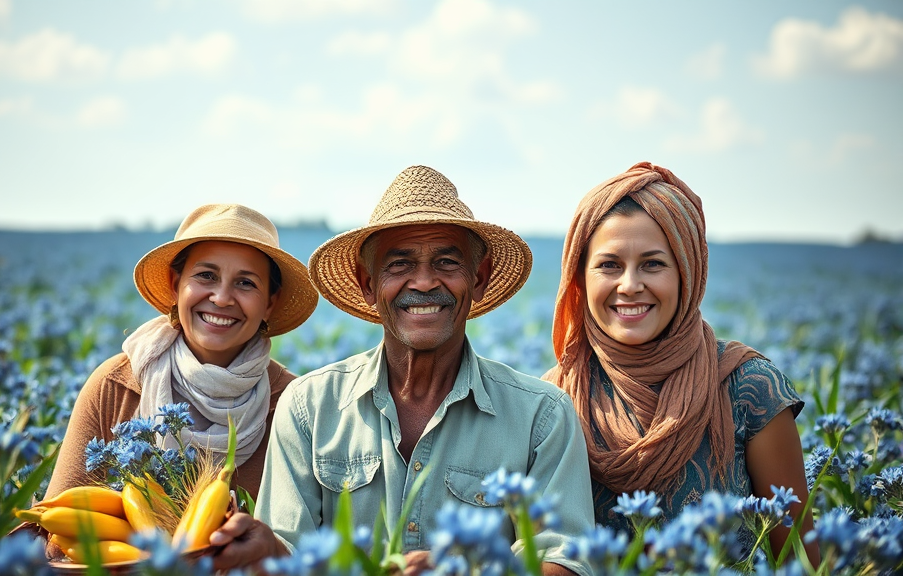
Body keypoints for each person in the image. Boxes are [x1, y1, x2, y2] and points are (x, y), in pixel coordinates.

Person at [212, 165, 594, 575]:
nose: (425, 282)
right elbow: (287, 552)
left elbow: (567, 560)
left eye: (447, 262)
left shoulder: (541, 415)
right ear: (367, 283)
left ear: (478, 279)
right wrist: (265, 552)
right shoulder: (309, 407)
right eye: (399, 264)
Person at [542, 162, 819, 564]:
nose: (630, 285)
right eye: (609, 265)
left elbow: (802, 561)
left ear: (687, 274)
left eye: (653, 264)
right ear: (579, 279)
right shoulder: (551, 399)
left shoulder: (751, 387)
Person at [45, 203, 318, 503]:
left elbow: (305, 541)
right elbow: (54, 531)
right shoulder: (114, 388)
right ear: (176, 286)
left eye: (245, 283)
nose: (222, 298)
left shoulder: (294, 405)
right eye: (206, 276)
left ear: (269, 303)